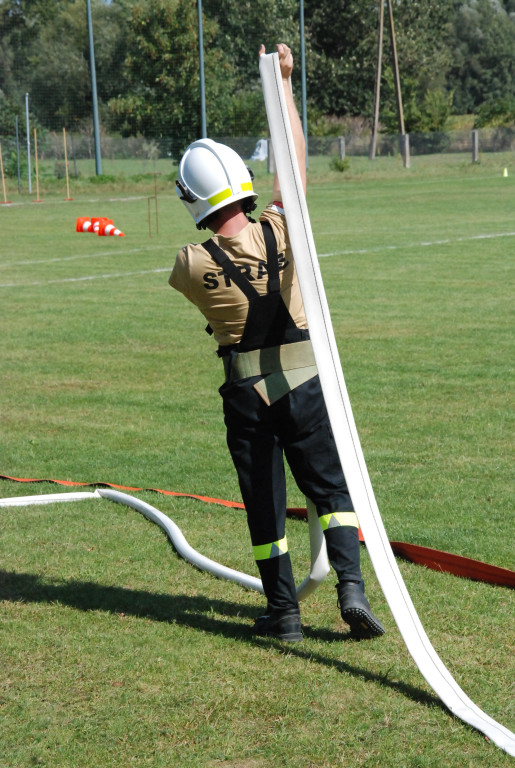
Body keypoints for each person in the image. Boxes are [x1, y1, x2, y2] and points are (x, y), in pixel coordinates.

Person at [169, 43, 385, 643]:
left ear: (192, 200)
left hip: (246, 394)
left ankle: (283, 613)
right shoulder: (284, 229)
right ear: (241, 182)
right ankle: (350, 587)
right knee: (331, 490)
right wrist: (284, 84)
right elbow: (291, 162)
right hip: (305, 381)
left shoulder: (189, 264)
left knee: (264, 503)